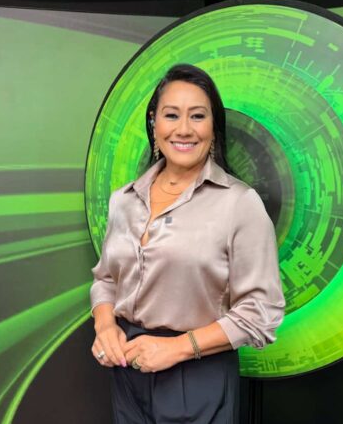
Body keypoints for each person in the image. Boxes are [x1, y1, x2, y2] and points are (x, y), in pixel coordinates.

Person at [89, 63, 285, 423]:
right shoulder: (124, 200)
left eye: (197, 116)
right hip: (128, 370)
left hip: (198, 374)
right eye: (171, 115)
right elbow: (106, 280)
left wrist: (178, 348)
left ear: (213, 127)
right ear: (154, 122)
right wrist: (105, 328)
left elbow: (262, 312)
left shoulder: (239, 203)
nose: (184, 129)